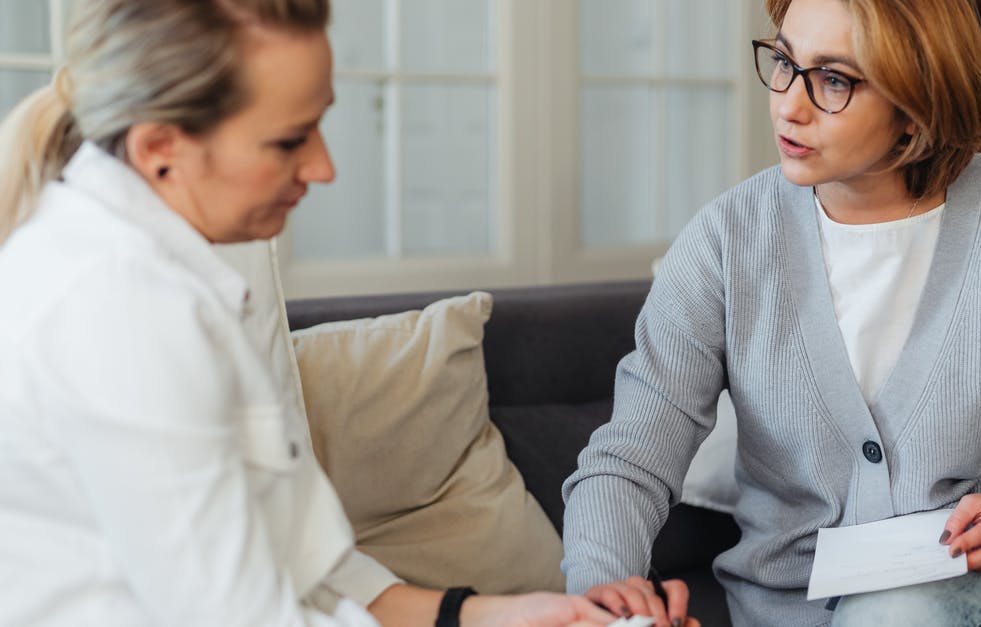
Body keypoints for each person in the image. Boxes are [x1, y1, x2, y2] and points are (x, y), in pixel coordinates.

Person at [0, 2, 617, 626]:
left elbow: (308, 572)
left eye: (318, 126)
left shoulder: (183, 278)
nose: (324, 167)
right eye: (290, 139)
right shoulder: (119, 309)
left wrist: (495, 617)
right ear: (161, 149)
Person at [560, 0, 981, 625]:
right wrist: (604, 588)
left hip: (974, 587)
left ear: (917, 106)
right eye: (783, 61)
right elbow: (632, 455)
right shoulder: (727, 241)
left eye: (833, 80)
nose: (787, 105)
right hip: (784, 605)